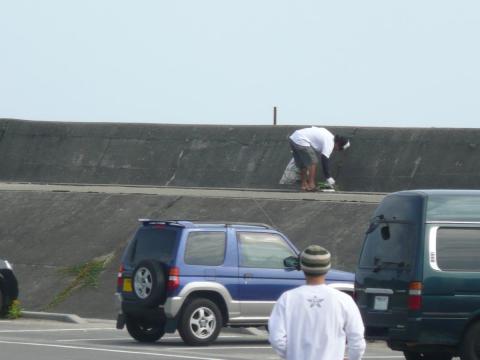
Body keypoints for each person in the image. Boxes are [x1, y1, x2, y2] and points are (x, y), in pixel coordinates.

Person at [268, 245, 366, 360]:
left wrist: (292, 355)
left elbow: (276, 338)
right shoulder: (344, 299)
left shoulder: (287, 298)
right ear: (327, 268)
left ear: (302, 267)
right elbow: (357, 339)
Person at [289, 126, 350, 191]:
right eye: (340, 149)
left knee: (303, 164)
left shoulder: (329, 136)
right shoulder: (330, 143)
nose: (337, 150)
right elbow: (324, 159)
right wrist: (328, 177)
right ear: (338, 143)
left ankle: (304, 185)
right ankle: (311, 185)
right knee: (313, 162)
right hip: (301, 140)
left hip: (293, 138)